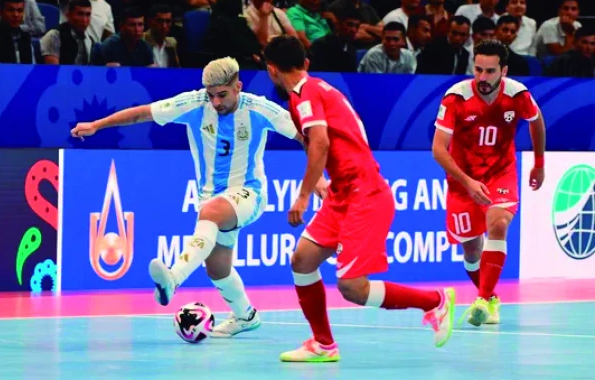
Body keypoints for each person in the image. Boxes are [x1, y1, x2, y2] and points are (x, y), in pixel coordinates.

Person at [70, 57, 324, 338]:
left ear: (238, 86)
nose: (215, 102)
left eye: (222, 95)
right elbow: (143, 113)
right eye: (211, 95)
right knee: (217, 268)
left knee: (212, 213)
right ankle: (245, 316)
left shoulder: (260, 108)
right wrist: (97, 124)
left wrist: (319, 178)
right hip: (211, 197)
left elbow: (305, 136)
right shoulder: (194, 104)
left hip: (250, 193)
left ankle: (173, 278)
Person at [263, 35, 456, 363]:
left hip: (365, 193)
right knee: (303, 260)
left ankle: (434, 301)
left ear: (271, 70)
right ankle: (323, 344)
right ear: (305, 63)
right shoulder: (316, 88)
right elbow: (322, 141)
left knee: (352, 286)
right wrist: (325, 179)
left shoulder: (303, 93)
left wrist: (304, 194)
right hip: (344, 191)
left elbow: (320, 143)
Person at [432, 40, 546, 327]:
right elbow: (438, 149)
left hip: (500, 171)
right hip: (462, 179)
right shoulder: (455, 98)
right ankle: (491, 297)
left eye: (490, 71)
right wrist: (468, 182)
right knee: (471, 252)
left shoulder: (517, 94)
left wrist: (539, 163)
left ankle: (482, 299)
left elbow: (536, 121)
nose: (482, 78)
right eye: (478, 70)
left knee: (498, 224)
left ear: (503, 70)